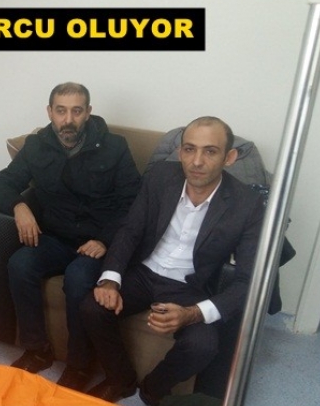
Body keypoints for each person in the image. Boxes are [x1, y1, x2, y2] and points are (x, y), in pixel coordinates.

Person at [80, 116, 266, 405]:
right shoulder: (160, 177)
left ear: (229, 157)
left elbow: (248, 280)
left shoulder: (247, 204)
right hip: (145, 271)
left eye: (210, 151)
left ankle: (153, 389)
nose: (197, 161)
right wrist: (110, 280)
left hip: (190, 285)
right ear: (180, 152)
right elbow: (130, 230)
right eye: (189, 149)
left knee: (204, 345)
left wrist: (192, 313)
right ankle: (120, 380)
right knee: (92, 307)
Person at [0, 82, 142, 392]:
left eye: (76, 111)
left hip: (96, 243)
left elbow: (134, 204)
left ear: (88, 112)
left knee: (78, 278)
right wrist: (19, 206)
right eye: (61, 111)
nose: (68, 120)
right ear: (50, 112)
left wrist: (105, 240)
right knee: (20, 264)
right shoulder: (36, 145)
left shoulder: (115, 146)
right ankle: (37, 350)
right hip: (55, 237)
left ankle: (79, 364)